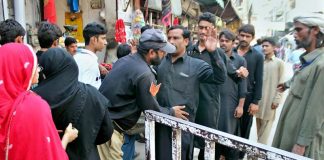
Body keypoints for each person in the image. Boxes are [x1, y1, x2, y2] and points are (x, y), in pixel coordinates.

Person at [98, 28, 186, 160]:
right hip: (110, 130)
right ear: (151, 52)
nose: (164, 54)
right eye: (162, 51)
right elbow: (151, 109)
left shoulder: (126, 60)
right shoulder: (144, 73)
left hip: (102, 121)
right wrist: (171, 112)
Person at [155, 25, 227, 160]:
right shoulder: (160, 62)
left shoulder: (196, 65)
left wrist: (213, 52)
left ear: (186, 41)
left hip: (183, 127)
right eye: (169, 38)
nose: (171, 41)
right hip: (160, 122)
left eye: (176, 38)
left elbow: (220, 78)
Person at [33, 48, 113, 160]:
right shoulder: (91, 94)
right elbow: (106, 132)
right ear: (71, 65)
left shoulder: (32, 99)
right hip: (86, 154)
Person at [187, 12, 248, 159]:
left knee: (208, 147)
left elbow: (233, 75)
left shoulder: (218, 53)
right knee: (185, 143)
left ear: (212, 29)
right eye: (200, 27)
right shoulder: (188, 50)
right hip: (188, 105)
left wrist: (241, 73)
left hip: (208, 107)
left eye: (206, 28)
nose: (202, 31)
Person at [0, 43, 68, 159]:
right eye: (34, 65)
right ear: (21, 68)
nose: (37, 70)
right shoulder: (34, 106)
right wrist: (66, 138)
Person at [273, 12, 324, 159]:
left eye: (298, 30)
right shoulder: (310, 60)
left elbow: (317, 111)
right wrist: (287, 84)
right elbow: (301, 77)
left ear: (315, 30)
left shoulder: (321, 65)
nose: (294, 34)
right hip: (290, 132)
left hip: (302, 143)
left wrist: (301, 144)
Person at [216, 29, 247, 160]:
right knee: (214, 131)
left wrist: (240, 105)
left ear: (233, 43)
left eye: (227, 41)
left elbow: (243, 85)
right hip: (215, 100)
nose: (223, 43)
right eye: (221, 40)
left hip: (230, 101)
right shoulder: (215, 56)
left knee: (229, 132)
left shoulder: (240, 60)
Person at [234, 24, 264, 159]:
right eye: (242, 35)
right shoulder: (231, 52)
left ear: (252, 38)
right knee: (230, 126)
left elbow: (259, 79)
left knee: (245, 127)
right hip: (231, 95)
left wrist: (256, 101)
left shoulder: (257, 56)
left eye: (248, 36)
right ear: (238, 35)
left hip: (248, 97)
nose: (244, 38)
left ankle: (240, 155)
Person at [254, 37, 285, 145]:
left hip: (270, 102)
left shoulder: (279, 63)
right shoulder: (260, 61)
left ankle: (254, 155)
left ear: (274, 48)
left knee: (265, 133)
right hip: (259, 102)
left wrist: (277, 100)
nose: (264, 48)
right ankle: (256, 153)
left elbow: (282, 83)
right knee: (259, 131)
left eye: (267, 46)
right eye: (263, 46)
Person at [74, 22, 108, 89]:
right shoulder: (89, 63)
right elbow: (86, 93)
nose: (105, 42)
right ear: (94, 40)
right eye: (103, 38)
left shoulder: (79, 56)